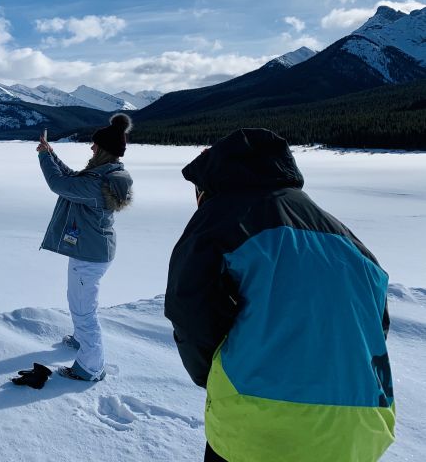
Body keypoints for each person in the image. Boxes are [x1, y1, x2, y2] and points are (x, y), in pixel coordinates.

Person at [165, 129, 395, 462]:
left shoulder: (220, 219)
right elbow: (377, 327)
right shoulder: (348, 239)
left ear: (210, 185)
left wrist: (210, 375)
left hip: (262, 425)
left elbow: (189, 307)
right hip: (360, 431)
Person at [37, 114, 134, 381]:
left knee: (83, 309)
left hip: (90, 255)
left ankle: (90, 367)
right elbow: (71, 178)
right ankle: (81, 339)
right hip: (93, 251)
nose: (91, 148)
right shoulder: (107, 175)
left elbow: (61, 184)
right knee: (80, 301)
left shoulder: (98, 183)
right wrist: (52, 154)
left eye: (95, 145)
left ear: (104, 150)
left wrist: (44, 157)